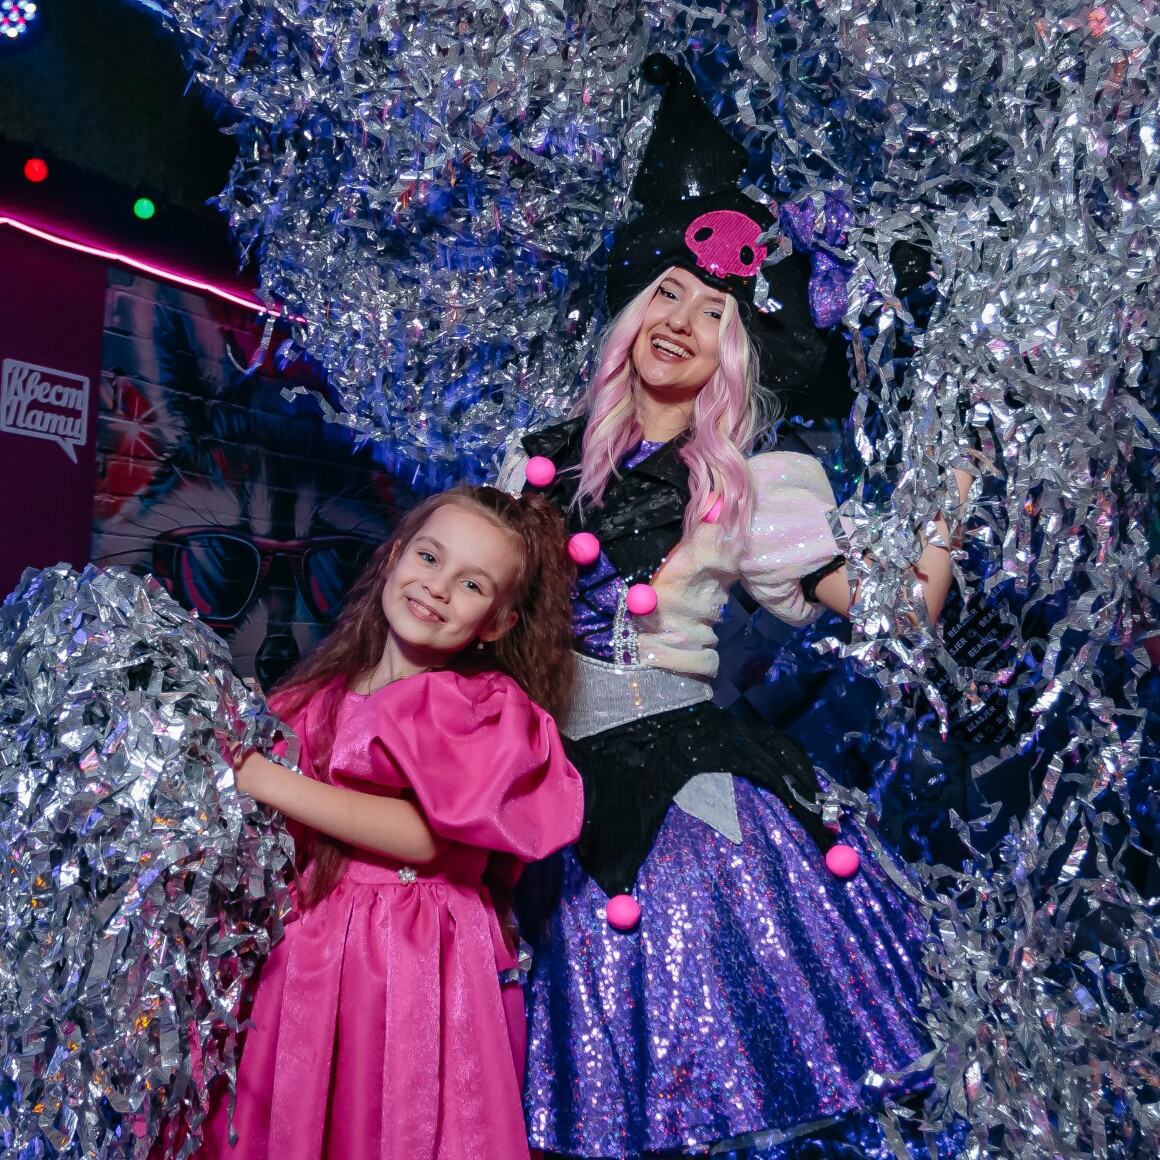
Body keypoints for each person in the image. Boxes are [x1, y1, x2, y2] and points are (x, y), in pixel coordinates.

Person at [499, 56, 973, 1159]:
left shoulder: (754, 482)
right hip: (541, 809)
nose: (680, 319)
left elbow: (899, 611)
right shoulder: (531, 458)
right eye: (668, 291)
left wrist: (950, 489)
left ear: (736, 352)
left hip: (692, 824)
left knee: (714, 1105)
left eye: (713, 311)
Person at [197, 485, 585, 1160]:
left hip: (410, 958)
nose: (437, 587)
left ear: (498, 622)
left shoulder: (481, 707)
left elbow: (424, 836)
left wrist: (268, 778)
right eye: (429, 558)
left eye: (471, 584)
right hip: (308, 953)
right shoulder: (314, 695)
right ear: (396, 555)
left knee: (393, 1121)